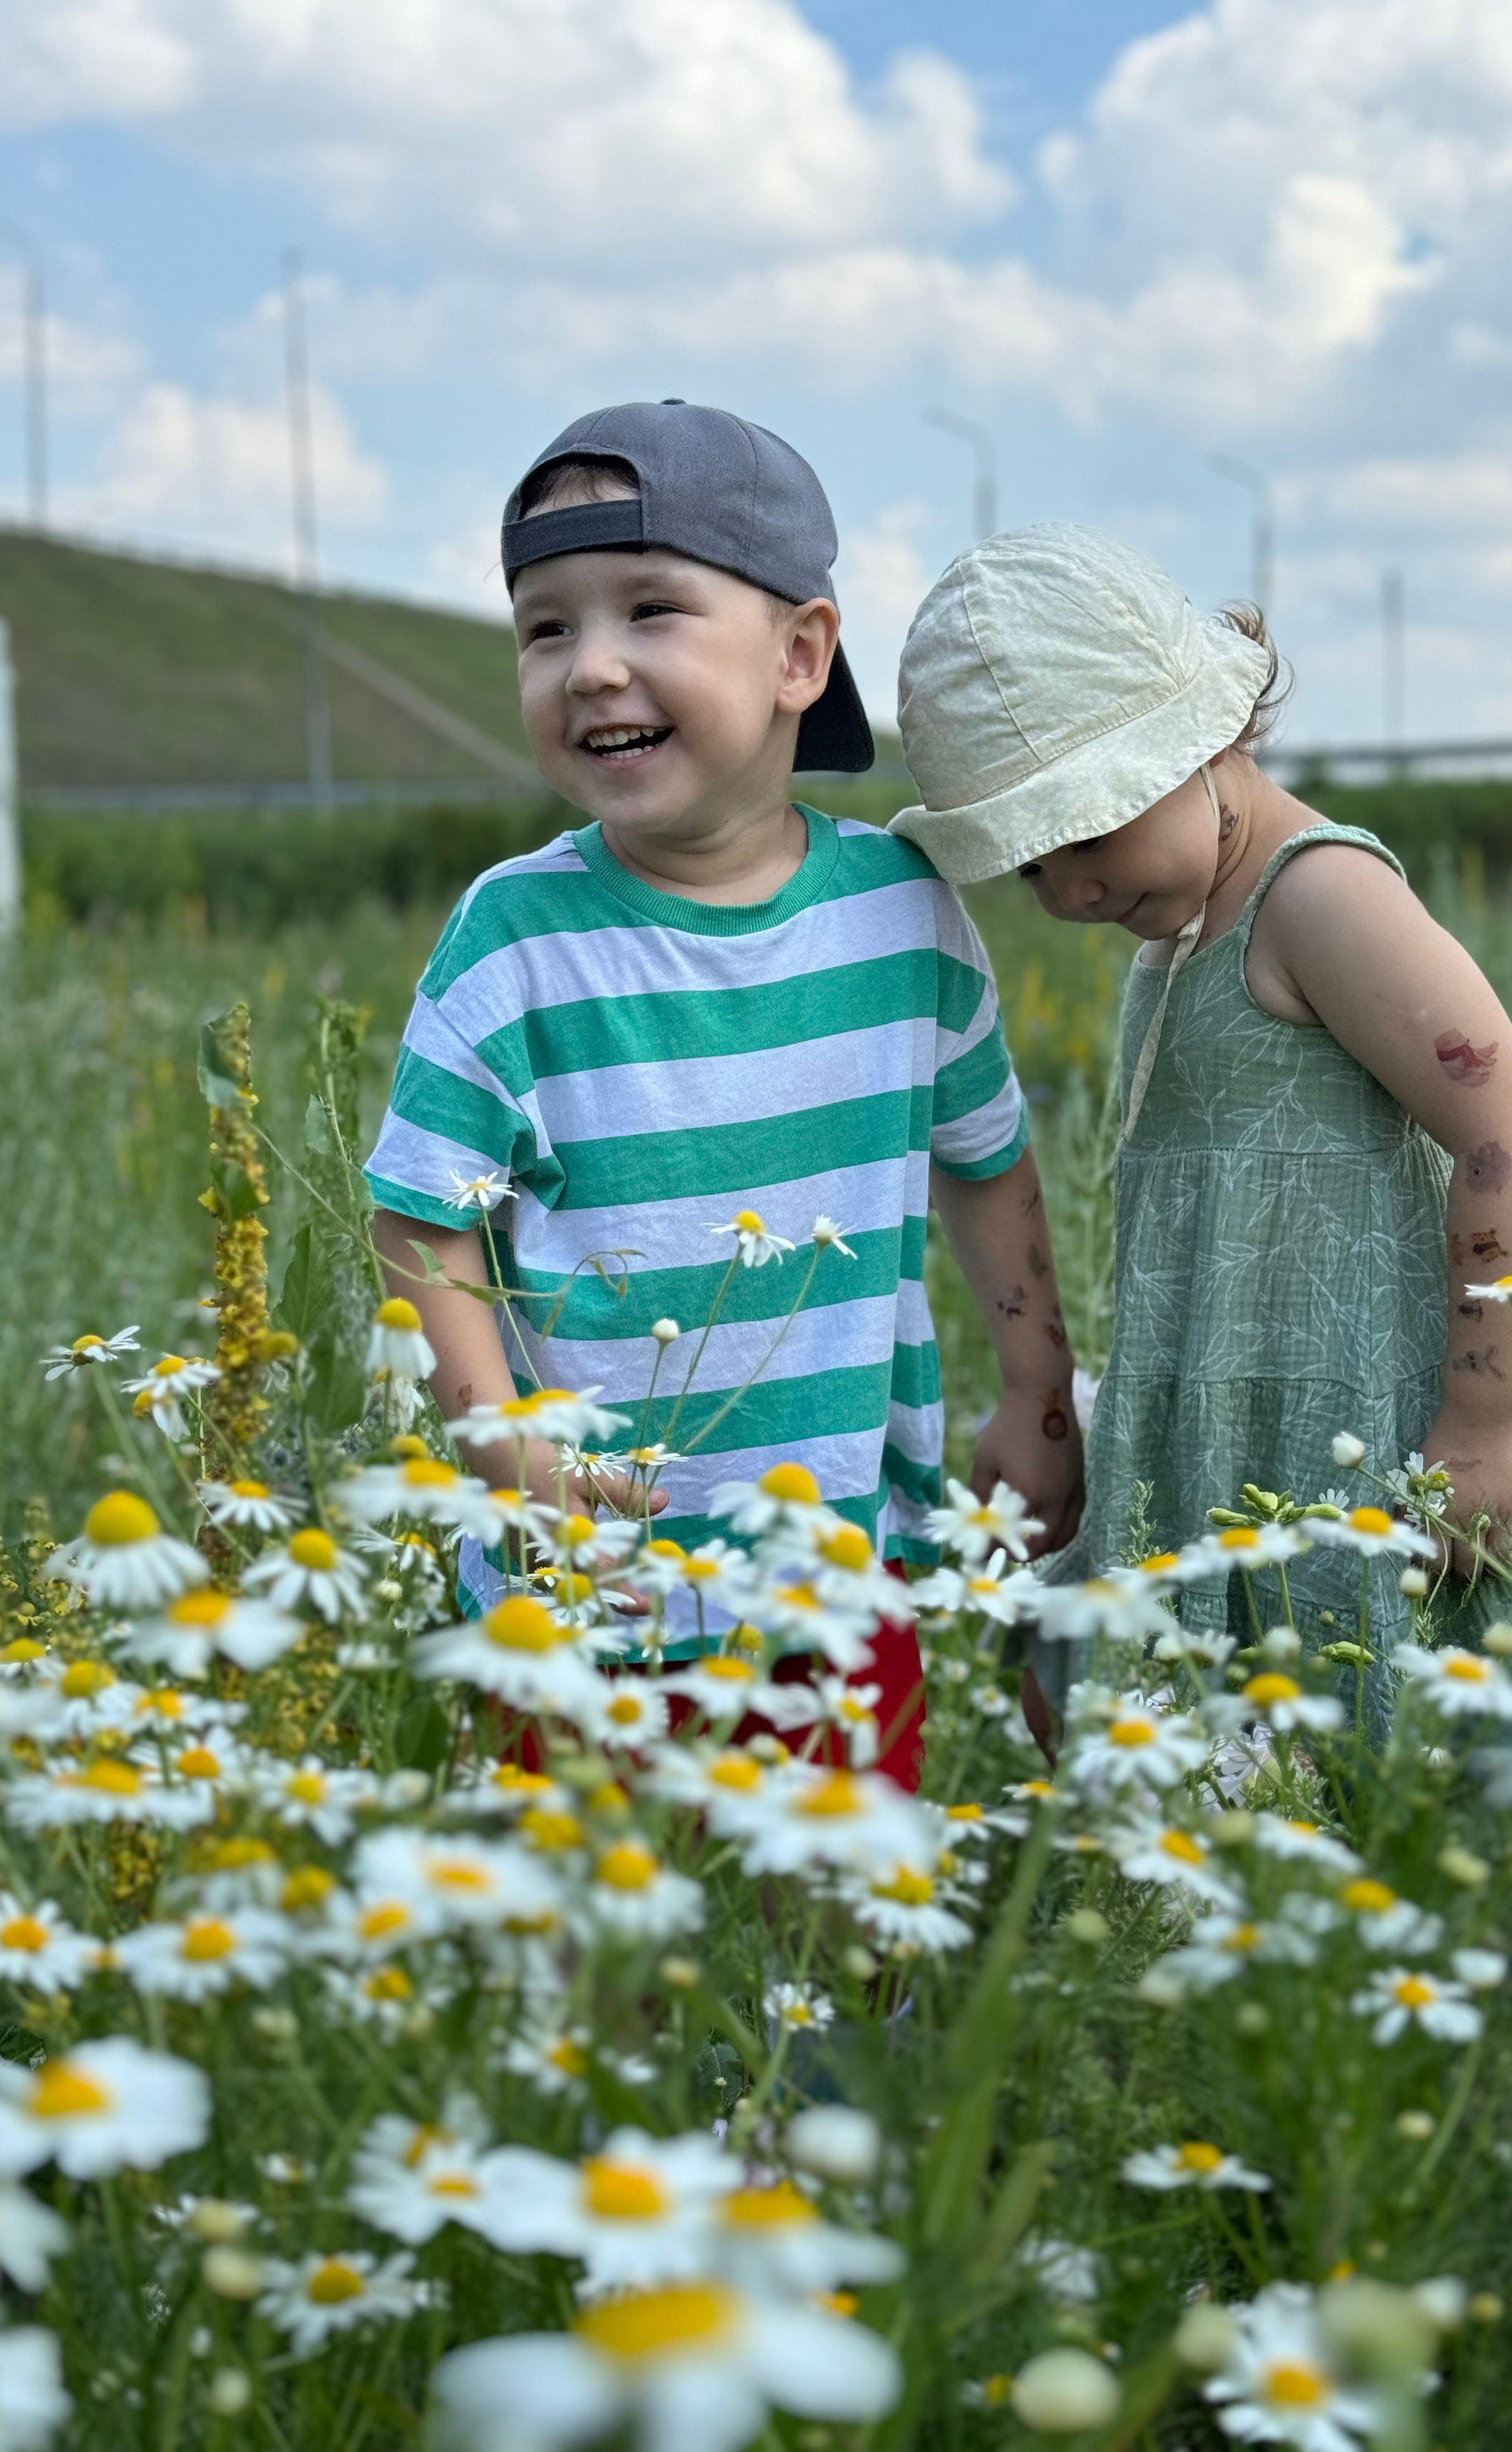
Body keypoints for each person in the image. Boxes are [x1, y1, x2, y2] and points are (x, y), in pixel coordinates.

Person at [363, 403, 1085, 1790]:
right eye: (545, 629)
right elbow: (420, 1222)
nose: (591, 667)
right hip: (582, 1591)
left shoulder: (904, 916)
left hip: (844, 1577)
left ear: (800, 654)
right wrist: (503, 1451)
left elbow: (987, 1163)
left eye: (650, 609)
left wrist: (1038, 1389)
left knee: (836, 1903)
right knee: (590, 1906)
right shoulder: (513, 939)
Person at [889, 524, 1512, 1731]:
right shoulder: (1186, 923)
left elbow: (1508, 1129)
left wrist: (1486, 1418)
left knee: (1382, 1731)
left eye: (1091, 833)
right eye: (1033, 865)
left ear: (1200, 737)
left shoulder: (1319, 896)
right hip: (1234, 1422)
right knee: (1179, 1722)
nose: (1073, 890)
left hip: (1372, 1428)